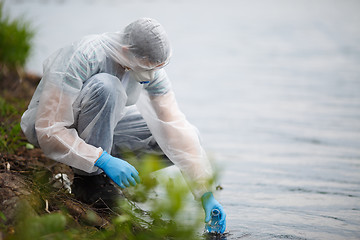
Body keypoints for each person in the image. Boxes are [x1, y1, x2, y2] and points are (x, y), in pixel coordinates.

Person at [20, 18, 226, 233]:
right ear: (127, 51)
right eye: (147, 66)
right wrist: (102, 159)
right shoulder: (85, 56)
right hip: (56, 128)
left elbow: (174, 125)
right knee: (107, 86)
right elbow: (49, 127)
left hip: (99, 127)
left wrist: (205, 195)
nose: (152, 74)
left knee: (186, 134)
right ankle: (89, 182)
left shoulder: (148, 68)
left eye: (157, 67)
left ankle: (104, 174)